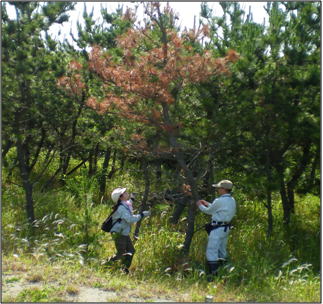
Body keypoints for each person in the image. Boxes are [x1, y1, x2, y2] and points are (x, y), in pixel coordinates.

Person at [196, 180, 236, 281]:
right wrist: (207, 203)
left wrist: (200, 205)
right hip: (225, 229)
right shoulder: (231, 200)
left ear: (223, 189)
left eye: (219, 188)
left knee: (211, 251)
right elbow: (218, 208)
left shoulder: (220, 200)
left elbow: (209, 211)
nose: (218, 190)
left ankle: (212, 276)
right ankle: (225, 272)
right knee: (222, 250)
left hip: (217, 229)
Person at [105, 187, 150, 273]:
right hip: (118, 233)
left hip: (123, 232)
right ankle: (105, 264)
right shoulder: (121, 208)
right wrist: (142, 215)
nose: (127, 193)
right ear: (121, 197)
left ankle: (124, 269)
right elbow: (129, 219)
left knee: (131, 251)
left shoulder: (125, 204)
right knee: (121, 253)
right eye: (125, 193)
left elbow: (129, 203)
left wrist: (132, 198)